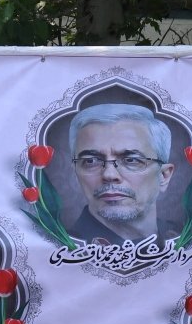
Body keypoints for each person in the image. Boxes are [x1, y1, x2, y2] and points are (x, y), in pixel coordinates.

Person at [66, 102, 175, 245]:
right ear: (76, 173)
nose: (109, 175)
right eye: (91, 161)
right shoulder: (55, 248)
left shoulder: (189, 241)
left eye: (131, 160)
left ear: (164, 176)